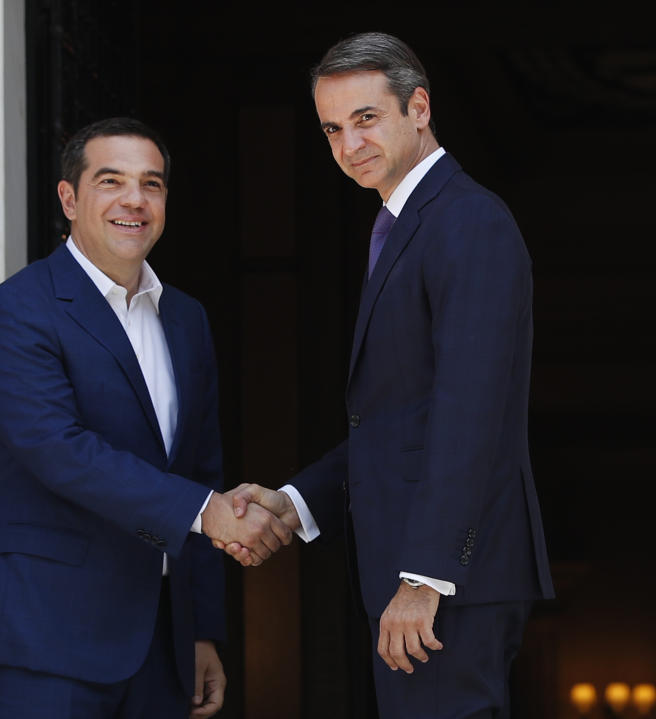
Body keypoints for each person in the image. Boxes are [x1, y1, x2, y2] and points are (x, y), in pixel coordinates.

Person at [224, 32, 555, 718]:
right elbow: (398, 423)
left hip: (446, 580)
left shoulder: (466, 222)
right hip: (420, 576)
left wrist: (428, 574)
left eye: (365, 119)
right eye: (332, 129)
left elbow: (471, 411)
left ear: (419, 107)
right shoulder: (404, 226)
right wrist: (296, 500)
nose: (348, 145)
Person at [0, 116, 293, 718]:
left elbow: (202, 467)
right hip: (45, 637)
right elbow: (58, 449)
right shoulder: (15, 310)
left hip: (161, 645)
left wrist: (201, 630)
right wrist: (208, 513)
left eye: (152, 184)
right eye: (111, 181)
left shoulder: (186, 319)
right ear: (69, 197)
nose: (134, 200)